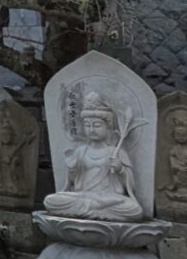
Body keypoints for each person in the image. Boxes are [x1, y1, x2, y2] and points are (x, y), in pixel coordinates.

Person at [46, 92, 144, 220]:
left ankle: (87, 212)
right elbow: (72, 183)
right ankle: (97, 213)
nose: (91, 129)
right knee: (51, 200)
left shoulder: (116, 152)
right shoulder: (81, 151)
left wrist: (120, 169)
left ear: (108, 128)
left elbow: (131, 186)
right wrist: (72, 169)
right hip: (83, 196)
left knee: (133, 209)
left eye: (97, 125)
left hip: (109, 198)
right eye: (87, 125)